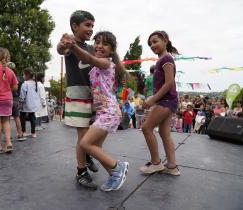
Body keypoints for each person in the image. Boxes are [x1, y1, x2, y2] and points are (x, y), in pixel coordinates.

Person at [63, 31, 129, 191]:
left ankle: (117, 167)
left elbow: (88, 58)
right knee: (96, 147)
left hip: (109, 112)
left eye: (105, 44)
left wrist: (73, 47)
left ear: (112, 50)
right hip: (103, 112)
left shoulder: (106, 63)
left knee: (85, 143)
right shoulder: (98, 65)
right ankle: (114, 174)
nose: (99, 46)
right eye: (97, 42)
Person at [57, 10, 98, 190]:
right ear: (75, 26)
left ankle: (87, 154)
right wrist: (63, 43)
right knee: (83, 135)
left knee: (91, 133)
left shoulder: (91, 48)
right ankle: (81, 171)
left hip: (92, 95)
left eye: (92, 26)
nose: (91, 29)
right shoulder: (70, 44)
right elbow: (60, 49)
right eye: (87, 25)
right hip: (77, 94)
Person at [139, 30, 180, 176]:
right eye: (150, 43)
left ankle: (156, 163)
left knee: (146, 128)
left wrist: (153, 99)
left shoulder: (166, 59)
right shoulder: (162, 60)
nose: (152, 45)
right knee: (164, 132)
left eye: (155, 41)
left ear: (165, 40)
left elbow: (169, 83)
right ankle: (172, 166)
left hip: (166, 101)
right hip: (169, 101)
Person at [7, 62, 26, 141]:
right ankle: (20, 135)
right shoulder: (20, 78)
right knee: (17, 117)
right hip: (16, 99)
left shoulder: (5, 77)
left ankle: (8, 137)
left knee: (6, 119)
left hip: (7, 98)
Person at [19, 68, 41, 138]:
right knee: (32, 118)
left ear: (27, 75)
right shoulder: (36, 83)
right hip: (33, 104)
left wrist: (21, 103)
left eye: (23, 75)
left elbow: (22, 94)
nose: (23, 76)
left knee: (22, 117)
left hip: (25, 104)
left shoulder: (25, 84)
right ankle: (33, 133)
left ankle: (24, 132)